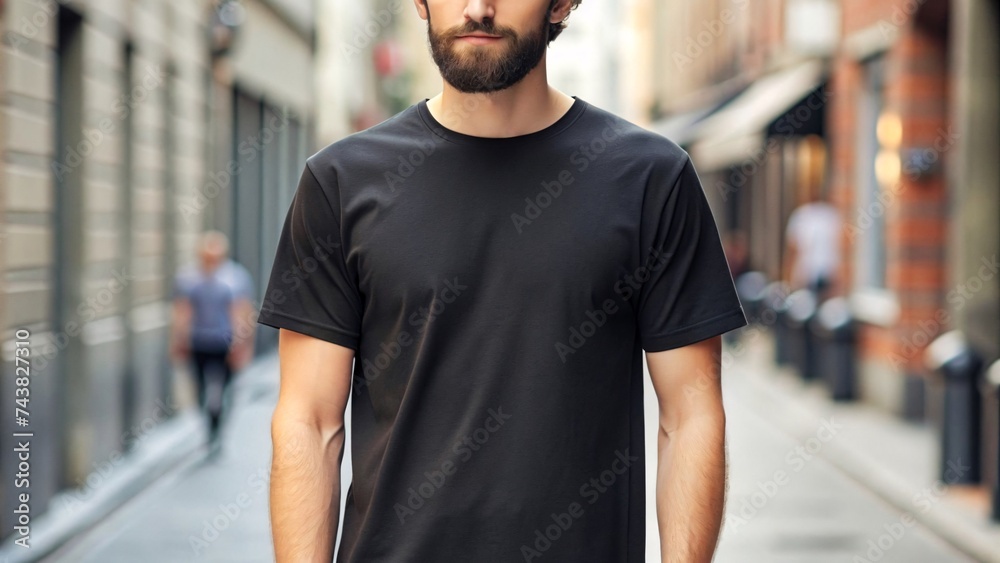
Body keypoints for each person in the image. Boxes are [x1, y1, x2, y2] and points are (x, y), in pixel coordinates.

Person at [258, 1, 747, 561]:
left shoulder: (650, 178)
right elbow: (309, 424)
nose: (477, 9)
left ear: (562, 3)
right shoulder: (340, 182)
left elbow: (691, 417)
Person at [170, 230, 255, 455]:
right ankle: (208, 419)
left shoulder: (235, 277)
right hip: (199, 340)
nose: (211, 260)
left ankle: (218, 423)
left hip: (225, 341)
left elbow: (242, 311)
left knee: (225, 388)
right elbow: (182, 311)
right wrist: (179, 339)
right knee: (199, 387)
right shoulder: (188, 278)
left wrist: (242, 344)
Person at [784, 187, 842, 302]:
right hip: (811, 274)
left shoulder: (802, 215)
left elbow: (792, 249)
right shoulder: (829, 215)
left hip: (818, 274)